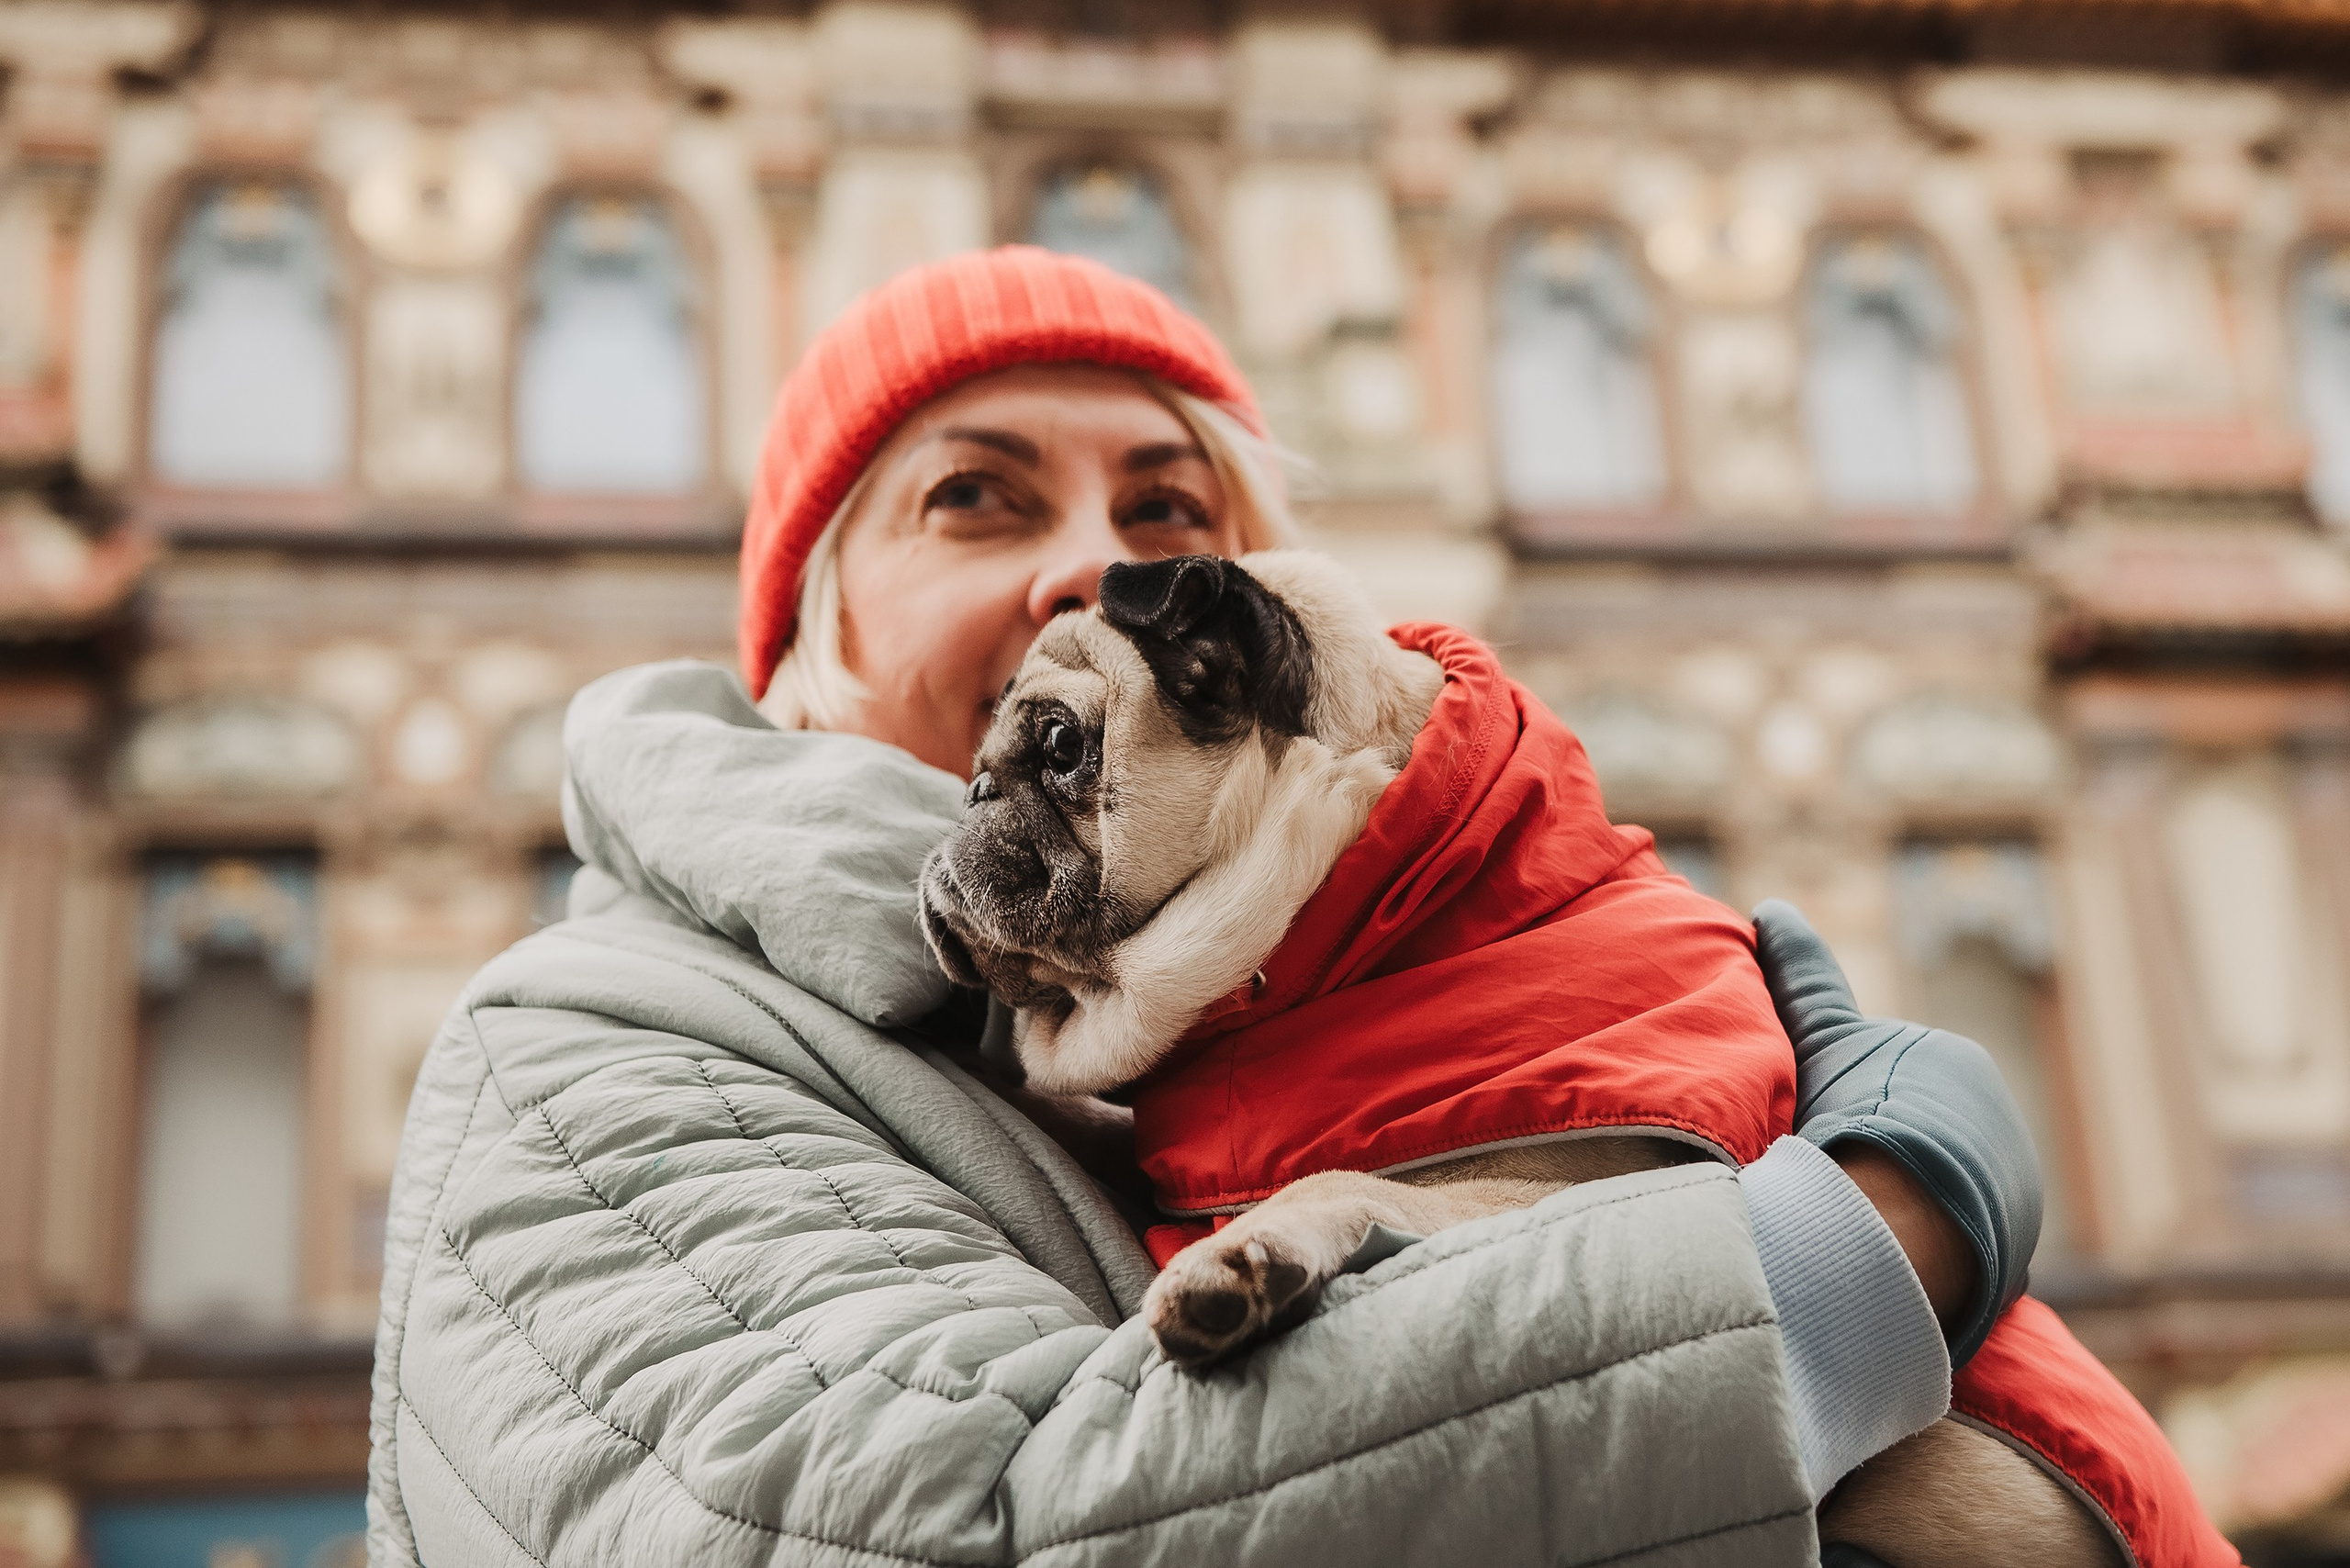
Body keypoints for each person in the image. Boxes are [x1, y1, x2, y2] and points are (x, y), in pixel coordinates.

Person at [364, 248, 2079, 1567]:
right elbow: (979, 1526)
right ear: (806, 656)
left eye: (1168, 517)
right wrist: (1853, 1252)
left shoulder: (1287, 1014)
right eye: (976, 496)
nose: (1089, 570)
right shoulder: (593, 1039)